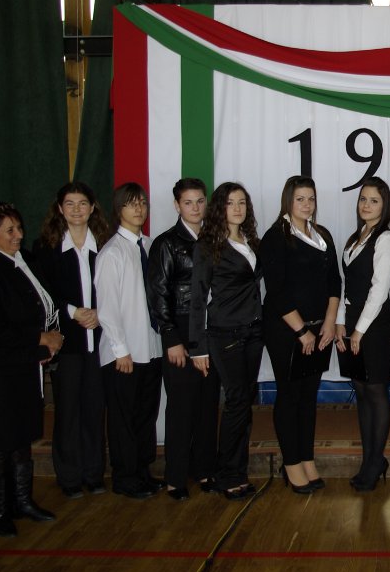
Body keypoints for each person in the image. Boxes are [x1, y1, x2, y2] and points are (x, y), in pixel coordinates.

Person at [0, 201, 62, 537]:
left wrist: (46, 344)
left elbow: (44, 304)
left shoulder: (26, 262)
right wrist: (40, 338)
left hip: (25, 363)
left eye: (19, 228)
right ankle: (0, 510)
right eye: (9, 231)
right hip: (0, 369)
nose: (18, 235)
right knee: (1, 441)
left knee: (22, 436)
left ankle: (23, 501)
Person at [259, 176, 341, 494]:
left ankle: (307, 458)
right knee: (290, 395)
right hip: (287, 332)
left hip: (320, 331)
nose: (307, 205)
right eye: (300, 199)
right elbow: (276, 291)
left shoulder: (322, 235)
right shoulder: (275, 237)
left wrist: (329, 323)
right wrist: (302, 331)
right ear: (288, 201)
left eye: (311, 198)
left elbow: (334, 282)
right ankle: (291, 462)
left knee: (308, 397)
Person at [31, 182, 109, 499]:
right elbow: (44, 292)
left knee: (94, 409)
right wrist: (74, 311)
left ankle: (94, 473)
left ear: (92, 207)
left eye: (82, 203)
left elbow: (116, 287)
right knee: (67, 411)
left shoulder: (104, 243)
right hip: (67, 341)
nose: (77, 209)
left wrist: (100, 312)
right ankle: (69, 476)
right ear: (60, 209)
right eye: (70, 204)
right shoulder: (45, 247)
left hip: (100, 339)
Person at [146, 178, 219, 500]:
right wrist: (171, 338)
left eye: (200, 201)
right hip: (180, 332)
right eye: (188, 202)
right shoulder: (166, 243)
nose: (195, 208)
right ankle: (175, 478)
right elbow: (158, 294)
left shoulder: (214, 240)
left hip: (210, 333)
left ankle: (204, 470)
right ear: (177, 205)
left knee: (207, 405)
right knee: (181, 408)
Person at [189, 182, 264, 500]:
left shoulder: (251, 241)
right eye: (231, 203)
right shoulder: (208, 245)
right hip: (224, 334)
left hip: (254, 332)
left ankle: (238, 472)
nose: (237, 208)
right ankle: (226, 475)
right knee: (235, 403)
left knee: (244, 403)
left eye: (242, 202)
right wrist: (197, 348)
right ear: (220, 208)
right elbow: (197, 299)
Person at [95, 183, 163, 500]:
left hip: (150, 347)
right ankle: (124, 477)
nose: (138, 209)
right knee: (123, 418)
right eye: (131, 204)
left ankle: (142, 470)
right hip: (124, 353)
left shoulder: (148, 246)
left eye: (142, 203)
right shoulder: (112, 253)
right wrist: (121, 350)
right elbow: (107, 309)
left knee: (145, 414)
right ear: (119, 209)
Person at [335, 177, 390, 491]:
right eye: (363, 199)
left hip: (375, 326)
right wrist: (340, 323)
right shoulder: (355, 237)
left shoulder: (386, 239)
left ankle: (376, 461)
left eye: (374, 200)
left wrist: (359, 330)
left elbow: (379, 290)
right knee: (360, 391)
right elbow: (346, 286)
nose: (366, 205)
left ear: (384, 206)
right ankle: (368, 459)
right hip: (352, 323)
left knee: (375, 391)